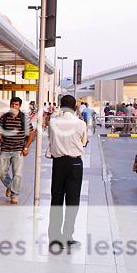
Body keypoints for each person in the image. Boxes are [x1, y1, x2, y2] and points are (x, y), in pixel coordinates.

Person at [47, 95, 88, 250]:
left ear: (60, 106)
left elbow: (51, 140)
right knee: (72, 201)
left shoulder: (52, 123)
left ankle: (54, 237)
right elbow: (83, 143)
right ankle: (68, 236)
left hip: (58, 163)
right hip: (75, 163)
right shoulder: (80, 124)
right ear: (75, 108)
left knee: (56, 199)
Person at [0, 97, 35, 204]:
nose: (14, 106)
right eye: (12, 104)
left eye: (16, 105)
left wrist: (26, 147)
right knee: (1, 172)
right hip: (5, 149)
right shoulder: (4, 118)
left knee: (17, 174)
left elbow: (31, 133)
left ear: (19, 106)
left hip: (18, 150)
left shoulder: (24, 118)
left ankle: (14, 195)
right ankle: (11, 186)